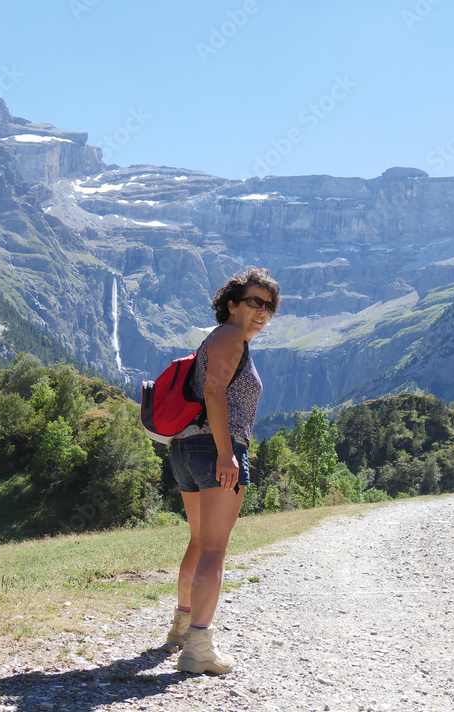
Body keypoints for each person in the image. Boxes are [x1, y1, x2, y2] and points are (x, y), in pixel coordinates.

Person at [162, 268, 280, 675]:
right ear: (232, 305)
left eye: (269, 306)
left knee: (199, 541)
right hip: (216, 450)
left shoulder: (219, 339)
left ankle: (180, 627)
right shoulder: (231, 336)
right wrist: (227, 453)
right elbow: (214, 391)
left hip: (187, 448)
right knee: (214, 549)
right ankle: (199, 646)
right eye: (254, 302)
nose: (262, 311)